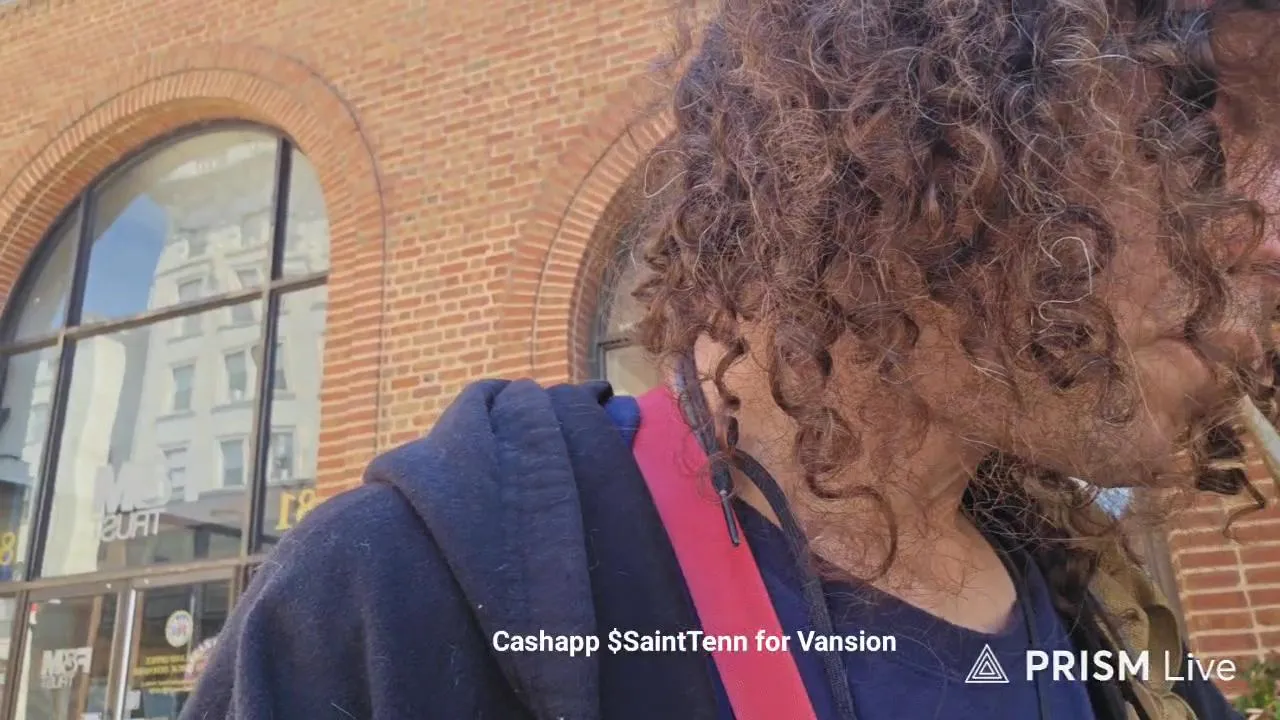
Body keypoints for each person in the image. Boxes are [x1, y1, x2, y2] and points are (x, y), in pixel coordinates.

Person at [180, 0, 1280, 718]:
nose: (1267, 234)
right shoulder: (397, 602)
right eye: (1201, 126)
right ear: (917, 122)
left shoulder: (1113, 625)